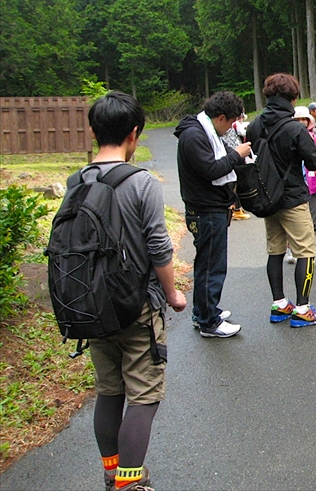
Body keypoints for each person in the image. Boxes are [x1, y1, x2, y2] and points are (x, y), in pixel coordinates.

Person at [82, 92, 186, 491]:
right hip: (136, 305)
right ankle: (129, 483)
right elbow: (159, 247)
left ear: (94, 132)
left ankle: (112, 474)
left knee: (109, 391)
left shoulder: (77, 181)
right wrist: (173, 294)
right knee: (144, 395)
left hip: (92, 305)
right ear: (134, 134)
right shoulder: (141, 182)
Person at [247, 74, 316, 327]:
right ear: (293, 98)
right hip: (293, 197)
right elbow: (315, 161)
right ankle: (303, 309)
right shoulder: (295, 128)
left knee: (275, 250)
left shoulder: (255, 125)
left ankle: (280, 304)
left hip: (267, 197)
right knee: (305, 250)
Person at [175, 91, 251, 338]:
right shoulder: (194, 135)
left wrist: (240, 156)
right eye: (230, 122)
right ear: (220, 118)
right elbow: (211, 169)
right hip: (205, 210)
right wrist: (236, 154)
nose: (230, 128)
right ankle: (209, 322)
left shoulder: (204, 131)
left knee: (207, 264)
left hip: (209, 208)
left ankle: (202, 312)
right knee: (212, 267)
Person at [294, 105, 316, 232]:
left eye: (304, 119)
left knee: (312, 220)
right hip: (293, 188)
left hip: (310, 186)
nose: (301, 122)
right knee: (295, 223)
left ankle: (311, 243)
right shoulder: (287, 138)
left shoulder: (314, 139)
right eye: (297, 119)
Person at [222, 111, 250, 220]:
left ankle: (233, 207)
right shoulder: (235, 124)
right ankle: (237, 209)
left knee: (231, 181)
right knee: (237, 181)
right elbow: (244, 133)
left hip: (226, 154)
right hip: (238, 153)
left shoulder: (224, 126)